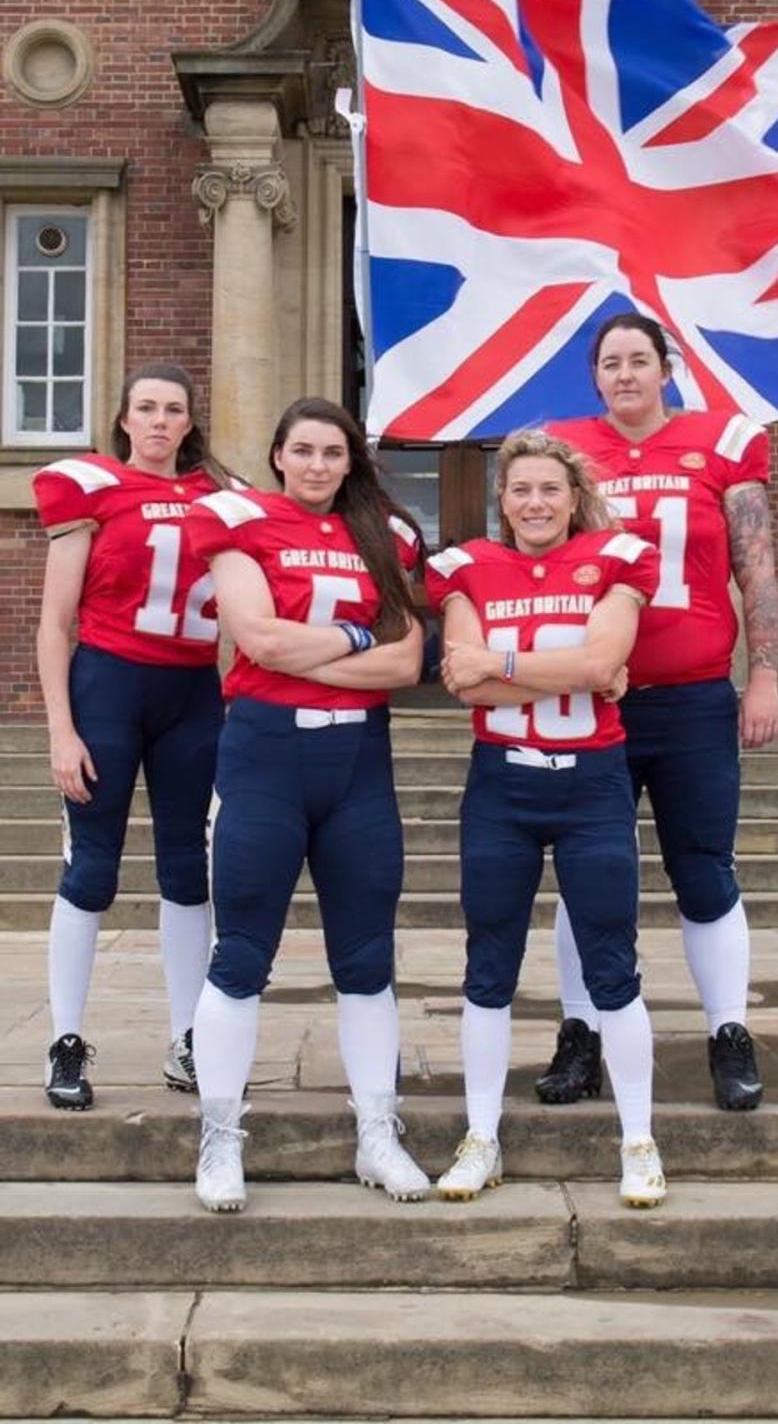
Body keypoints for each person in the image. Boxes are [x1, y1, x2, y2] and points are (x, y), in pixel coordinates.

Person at [183, 398, 427, 1214]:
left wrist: (324, 654)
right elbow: (259, 638)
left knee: (366, 958)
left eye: (334, 451)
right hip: (265, 754)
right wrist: (357, 642)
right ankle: (220, 1137)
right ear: (279, 456)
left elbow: (407, 660)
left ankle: (377, 1133)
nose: (319, 464)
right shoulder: (241, 519)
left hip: (357, 761)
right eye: (305, 450)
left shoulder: (386, 535)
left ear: (350, 460)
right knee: (241, 949)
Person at [539, 310, 778, 1113]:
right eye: (609, 363)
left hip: (692, 697)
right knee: (584, 874)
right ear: (594, 373)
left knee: (704, 867)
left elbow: (757, 566)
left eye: (638, 359)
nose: (624, 375)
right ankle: (581, 1032)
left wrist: (766, 674)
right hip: (592, 696)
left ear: (666, 366)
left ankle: (728, 1031)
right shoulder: (566, 450)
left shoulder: (722, 443)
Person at [426, 429, 666, 1208]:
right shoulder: (466, 568)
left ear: (572, 498)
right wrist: (571, 673)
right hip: (503, 787)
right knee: (488, 966)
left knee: (613, 968)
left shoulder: (618, 556)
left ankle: (638, 1139)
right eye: (521, 489)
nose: (535, 502)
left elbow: (601, 665)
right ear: (502, 499)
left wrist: (507, 666)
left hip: (593, 784)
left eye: (550, 489)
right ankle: (481, 1135)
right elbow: (465, 680)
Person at [33, 363, 233, 1111]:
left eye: (172, 408)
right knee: (91, 869)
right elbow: (55, 623)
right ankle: (66, 1036)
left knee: (188, 869)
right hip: (108, 686)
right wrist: (60, 727)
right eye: (145, 407)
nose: (158, 420)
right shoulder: (92, 488)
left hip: (191, 692)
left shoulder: (222, 499)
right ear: (123, 418)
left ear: (188, 422)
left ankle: (188, 1036)